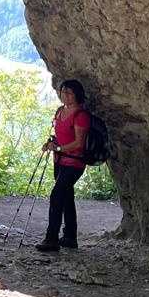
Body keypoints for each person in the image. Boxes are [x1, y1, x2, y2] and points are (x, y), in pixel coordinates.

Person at [37, 80, 90, 253]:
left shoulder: (81, 116)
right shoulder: (60, 112)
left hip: (74, 163)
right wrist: (51, 144)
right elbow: (60, 135)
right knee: (66, 198)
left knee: (56, 196)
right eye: (63, 92)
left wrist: (58, 148)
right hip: (59, 162)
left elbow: (79, 143)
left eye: (69, 93)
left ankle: (52, 239)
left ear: (77, 95)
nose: (65, 95)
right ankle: (69, 237)